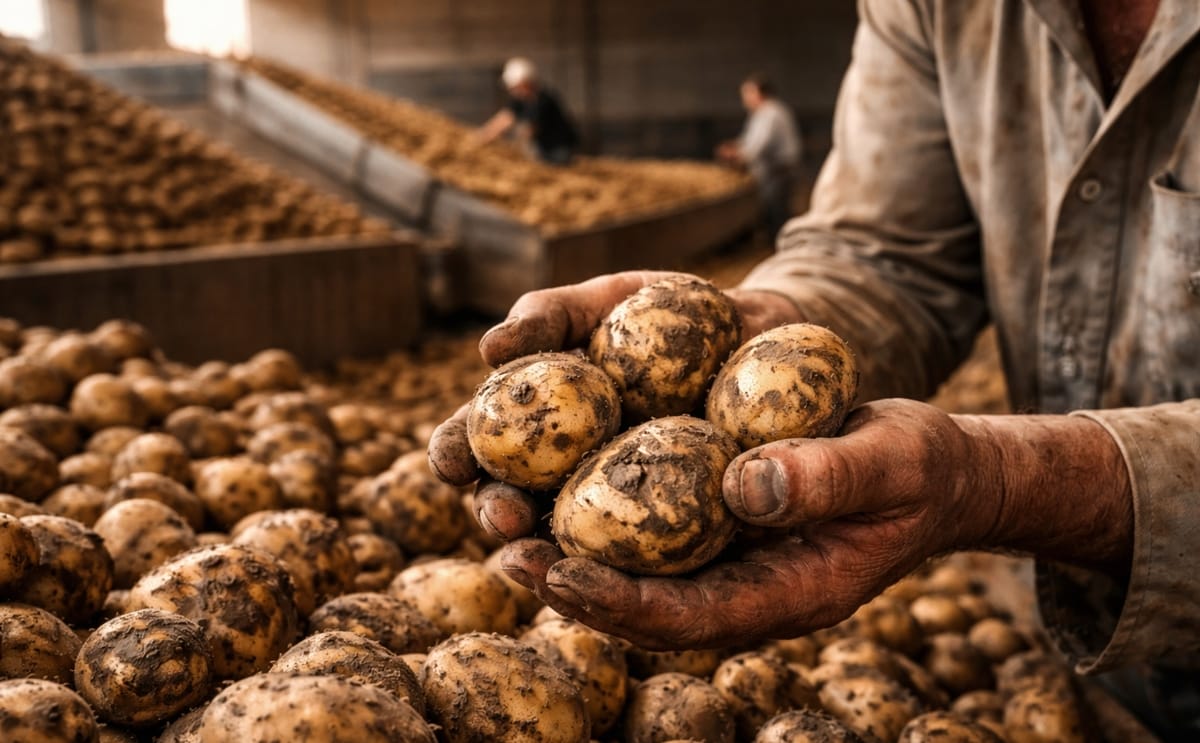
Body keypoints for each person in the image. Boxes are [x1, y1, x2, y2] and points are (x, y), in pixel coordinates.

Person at [431, 0, 1199, 737]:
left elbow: (983, 470)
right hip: (1099, 653)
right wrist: (763, 318)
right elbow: (889, 255)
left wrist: (1000, 482)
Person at [717, 73, 803, 237]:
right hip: (774, 171)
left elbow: (758, 146)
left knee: (777, 213)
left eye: (748, 93)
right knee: (774, 211)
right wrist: (736, 146)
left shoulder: (771, 113)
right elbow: (749, 140)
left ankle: (780, 248)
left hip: (778, 172)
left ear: (760, 93)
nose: (745, 98)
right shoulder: (763, 113)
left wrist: (737, 154)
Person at [475, 57, 580, 165]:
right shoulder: (520, 100)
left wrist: (509, 147)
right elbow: (504, 118)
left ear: (525, 83)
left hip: (559, 147)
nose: (512, 91)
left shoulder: (543, 100)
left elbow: (529, 130)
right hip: (544, 146)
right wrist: (484, 136)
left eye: (514, 87)